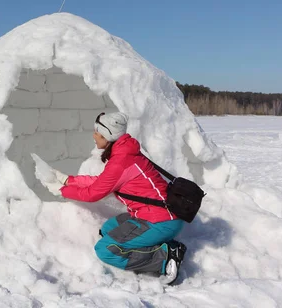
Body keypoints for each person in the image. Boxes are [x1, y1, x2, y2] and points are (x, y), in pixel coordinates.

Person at [39, 111, 187, 284]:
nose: (94, 136)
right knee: (109, 229)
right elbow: (102, 182)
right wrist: (68, 180)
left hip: (161, 221)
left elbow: (93, 194)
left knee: (105, 250)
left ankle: (164, 258)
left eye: (97, 133)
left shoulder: (121, 162)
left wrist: (61, 190)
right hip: (154, 215)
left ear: (108, 136)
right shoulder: (124, 154)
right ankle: (156, 246)